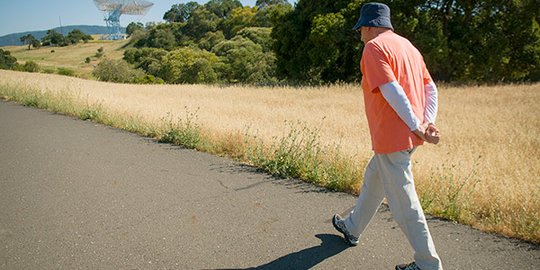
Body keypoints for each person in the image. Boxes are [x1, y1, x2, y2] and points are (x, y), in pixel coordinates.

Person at [331, 3, 443, 270]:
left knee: (404, 202)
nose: (360, 35)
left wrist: (418, 125)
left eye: (360, 29)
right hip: (406, 137)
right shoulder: (409, 47)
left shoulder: (374, 47)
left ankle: (428, 265)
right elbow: (431, 88)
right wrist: (426, 123)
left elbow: (392, 91)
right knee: (375, 177)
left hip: (393, 137)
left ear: (369, 25)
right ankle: (352, 227)